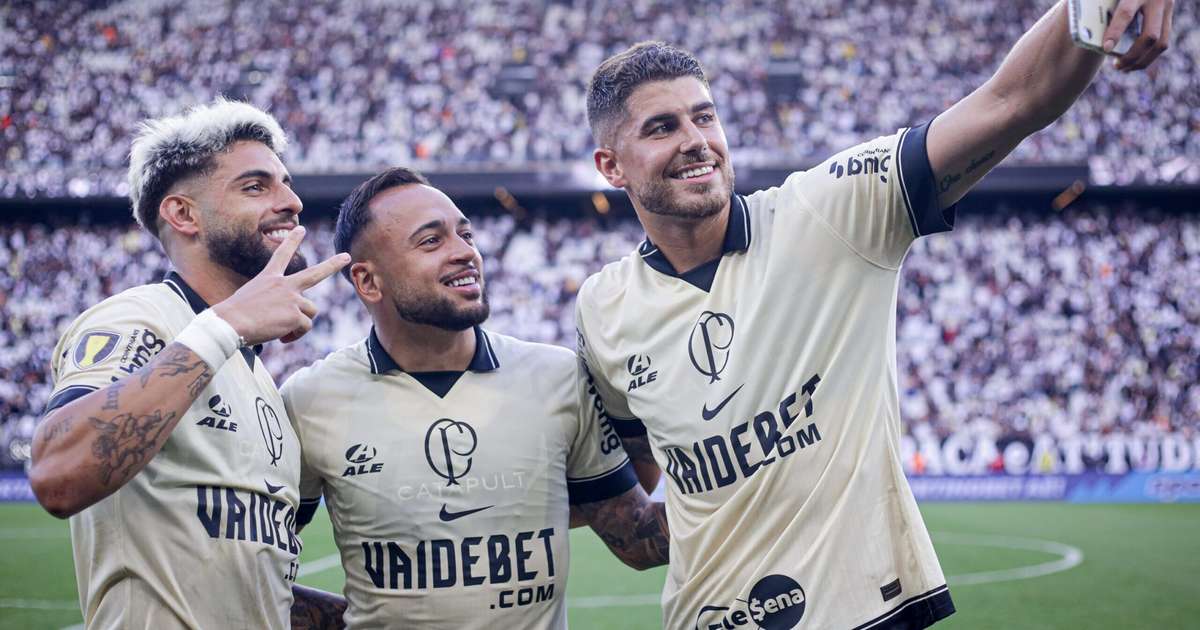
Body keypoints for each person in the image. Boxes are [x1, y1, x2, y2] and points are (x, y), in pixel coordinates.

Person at [576, 3, 1173, 629]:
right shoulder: (603, 306)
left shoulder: (830, 212)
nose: (697, 141)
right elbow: (643, 499)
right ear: (610, 166)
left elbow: (1011, 101)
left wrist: (1093, 4)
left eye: (705, 116)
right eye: (662, 127)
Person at [280, 167, 669, 629]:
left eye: (466, 234)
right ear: (368, 281)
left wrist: (762, 487)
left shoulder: (557, 375)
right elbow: (252, 565)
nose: (466, 252)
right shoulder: (310, 400)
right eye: (431, 241)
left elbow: (634, 536)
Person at [29, 98, 349, 629]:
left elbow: (244, 579)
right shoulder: (141, 318)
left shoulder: (257, 374)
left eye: (285, 182)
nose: (291, 201)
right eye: (255, 186)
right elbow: (59, 475)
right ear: (183, 214)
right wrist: (226, 325)